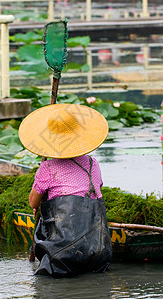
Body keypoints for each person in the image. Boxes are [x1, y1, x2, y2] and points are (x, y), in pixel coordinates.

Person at [18, 103, 113, 277]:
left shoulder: (47, 168)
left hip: (61, 256)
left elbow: (33, 202)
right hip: (99, 252)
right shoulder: (93, 164)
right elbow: (97, 190)